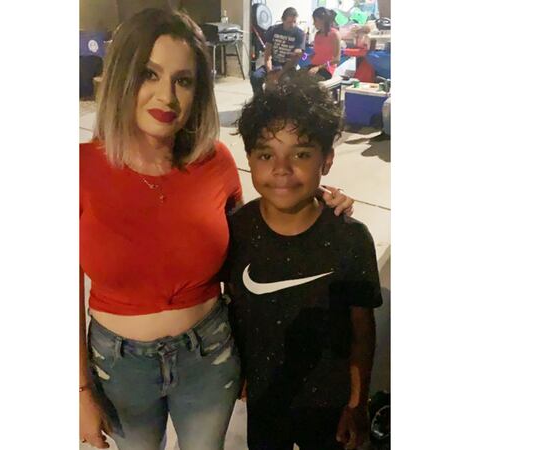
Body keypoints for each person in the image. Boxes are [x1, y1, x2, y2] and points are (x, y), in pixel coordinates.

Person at [79, 9, 354, 450]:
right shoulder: (81, 169)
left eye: (183, 80)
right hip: (119, 367)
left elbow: (255, 233)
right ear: (122, 77)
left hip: (208, 357)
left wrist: (314, 197)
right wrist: (79, 391)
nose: (167, 96)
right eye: (149, 74)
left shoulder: (215, 162)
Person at [229, 73, 383, 450]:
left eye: (300, 154)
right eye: (266, 155)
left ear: (326, 160)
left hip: (330, 404)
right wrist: (240, 369)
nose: (281, 168)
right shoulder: (236, 230)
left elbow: (362, 331)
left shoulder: (350, 239)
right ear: (249, 159)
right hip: (265, 398)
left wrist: (357, 403)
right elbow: (233, 307)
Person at [250, 7, 306, 96]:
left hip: (288, 67)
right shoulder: (273, 30)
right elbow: (267, 54)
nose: (292, 25)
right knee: (255, 77)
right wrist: (270, 72)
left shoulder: (300, 34)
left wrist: (279, 74)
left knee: (286, 82)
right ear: (282, 20)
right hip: (273, 64)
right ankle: (259, 99)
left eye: (294, 22)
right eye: (289, 22)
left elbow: (294, 59)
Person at [307, 7, 341, 81]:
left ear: (322, 20)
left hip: (326, 69)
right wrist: (309, 56)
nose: (313, 23)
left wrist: (318, 67)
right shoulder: (317, 34)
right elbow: (318, 53)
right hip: (314, 67)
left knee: (306, 81)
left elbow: (337, 59)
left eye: (315, 21)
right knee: (295, 78)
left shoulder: (334, 34)